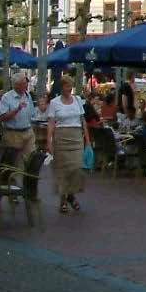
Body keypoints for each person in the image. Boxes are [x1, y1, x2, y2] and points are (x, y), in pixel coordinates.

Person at [46, 77, 91, 214]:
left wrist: (87, 140)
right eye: (67, 86)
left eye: (71, 86)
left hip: (76, 137)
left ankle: (71, 194)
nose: (69, 89)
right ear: (61, 87)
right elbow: (51, 122)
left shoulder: (77, 100)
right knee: (63, 170)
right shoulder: (54, 103)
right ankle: (63, 199)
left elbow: (83, 120)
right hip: (61, 137)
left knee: (76, 168)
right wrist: (49, 140)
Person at [0, 75, 36, 168]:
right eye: (23, 84)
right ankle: (14, 176)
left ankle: (28, 176)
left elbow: (32, 112)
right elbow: (2, 117)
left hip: (28, 131)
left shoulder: (27, 95)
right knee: (14, 162)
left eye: (26, 83)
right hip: (13, 133)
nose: (26, 85)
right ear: (16, 85)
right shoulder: (7, 97)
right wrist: (17, 109)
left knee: (31, 158)